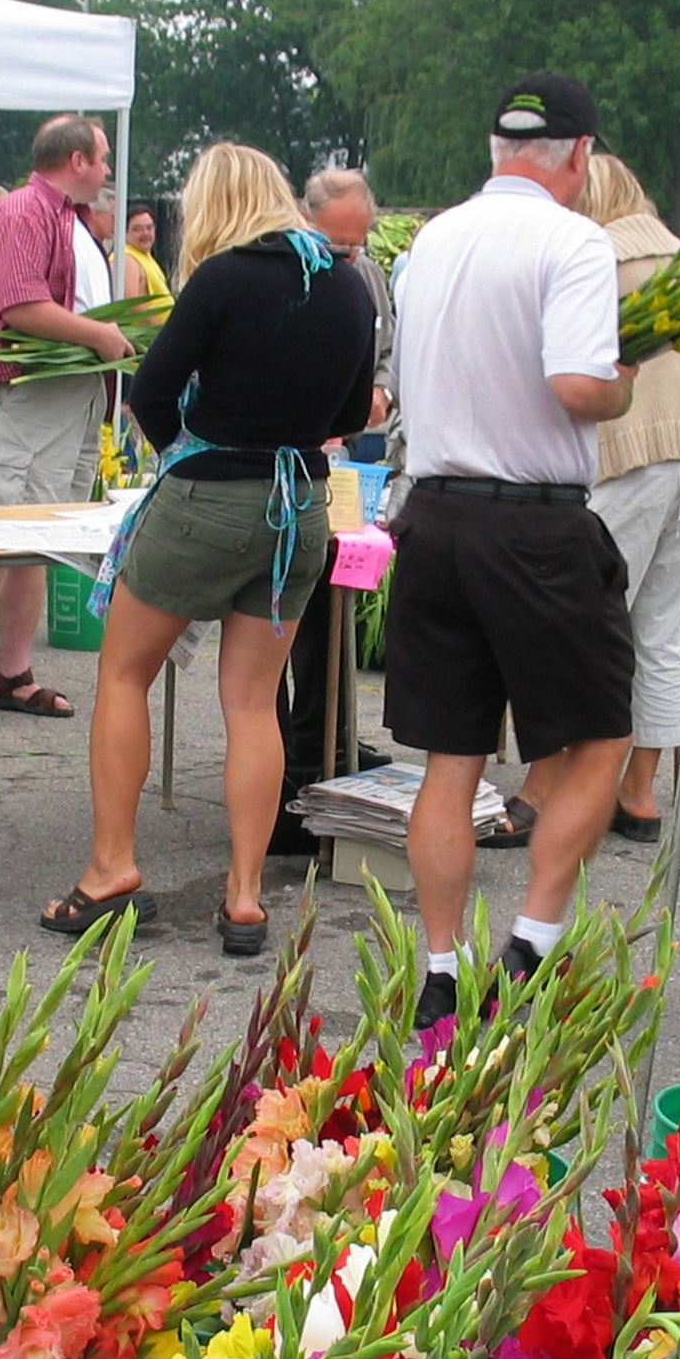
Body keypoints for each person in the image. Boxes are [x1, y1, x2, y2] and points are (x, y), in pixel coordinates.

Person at [41, 141, 375, 953]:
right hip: (298, 505)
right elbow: (354, 410)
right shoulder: (347, 283)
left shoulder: (220, 279)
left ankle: (110, 869)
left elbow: (152, 391)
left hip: (206, 498)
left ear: (212, 206)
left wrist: (184, 455)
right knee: (253, 704)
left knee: (124, 671)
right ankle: (246, 895)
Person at [385, 72, 637, 1029]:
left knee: (450, 759)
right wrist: (624, 383)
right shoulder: (573, 240)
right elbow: (578, 385)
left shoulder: (431, 239)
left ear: (496, 152)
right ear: (579, 156)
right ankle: (531, 943)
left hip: (435, 513)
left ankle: (440, 968)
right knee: (604, 732)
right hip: (533, 522)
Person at [479, 154, 680, 849]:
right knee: (662, 633)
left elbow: (565, 380)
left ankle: (540, 791)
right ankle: (640, 794)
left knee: (577, 632)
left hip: (626, 463)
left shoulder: (593, 263)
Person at [0, 115, 131, 733]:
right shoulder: (22, 212)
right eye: (101, 159)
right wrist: (100, 335)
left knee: (40, 538)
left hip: (64, 400)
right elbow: (21, 306)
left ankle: (12, 673)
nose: (105, 171)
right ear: (75, 160)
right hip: (17, 397)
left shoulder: (71, 218)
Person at [270, 169, 394, 854]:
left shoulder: (365, 276)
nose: (347, 257)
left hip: (343, 458)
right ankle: (286, 765)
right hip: (283, 466)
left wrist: (376, 393)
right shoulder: (279, 273)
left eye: (356, 245)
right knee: (273, 628)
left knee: (328, 604)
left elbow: (387, 355)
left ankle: (324, 750)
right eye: (335, 243)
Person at [121, 203, 172, 303]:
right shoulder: (127, 259)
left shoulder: (146, 257)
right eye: (137, 229)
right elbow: (131, 304)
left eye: (149, 227)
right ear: (125, 232)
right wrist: (158, 320)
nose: (145, 233)